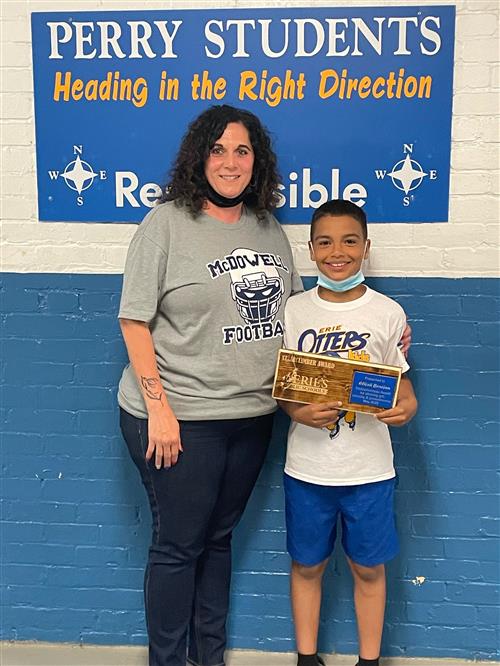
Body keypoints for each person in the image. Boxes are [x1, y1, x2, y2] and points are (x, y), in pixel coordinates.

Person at [117, 104, 303, 666]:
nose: (230, 162)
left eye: (241, 150)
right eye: (218, 149)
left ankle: (210, 658)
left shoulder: (268, 227)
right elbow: (133, 319)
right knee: (178, 547)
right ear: (200, 157)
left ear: (257, 161)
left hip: (250, 418)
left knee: (217, 542)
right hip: (179, 418)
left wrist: (377, 336)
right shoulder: (167, 223)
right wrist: (160, 410)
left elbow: (294, 313)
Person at [278, 200, 418, 666]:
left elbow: (399, 379)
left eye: (349, 240)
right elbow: (282, 387)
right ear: (312, 250)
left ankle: (370, 660)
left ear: (366, 247)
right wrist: (295, 411)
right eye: (325, 241)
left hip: (370, 470)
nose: (338, 251)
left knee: (368, 568)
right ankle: (306, 657)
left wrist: (409, 401)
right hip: (308, 469)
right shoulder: (293, 312)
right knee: (307, 564)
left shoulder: (388, 313)